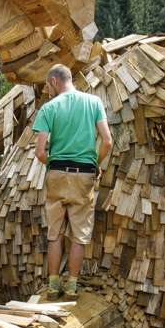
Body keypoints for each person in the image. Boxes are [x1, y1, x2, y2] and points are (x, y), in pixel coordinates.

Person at [33, 63, 112, 298]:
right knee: (80, 234)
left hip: (57, 172)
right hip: (85, 173)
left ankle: (53, 285)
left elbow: (39, 152)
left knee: (54, 234)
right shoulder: (94, 103)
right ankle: (72, 286)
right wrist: (95, 164)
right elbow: (107, 141)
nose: (48, 90)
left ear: (55, 81)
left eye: (48, 86)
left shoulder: (49, 108)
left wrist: (54, 165)